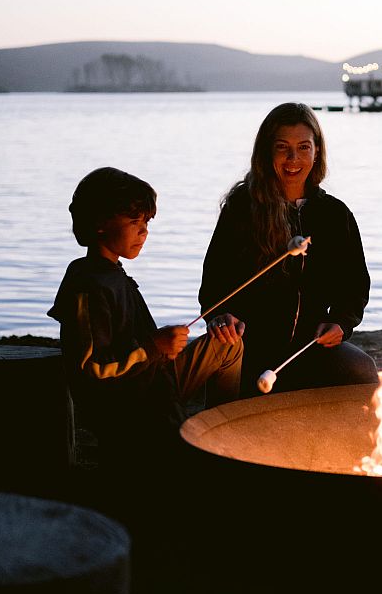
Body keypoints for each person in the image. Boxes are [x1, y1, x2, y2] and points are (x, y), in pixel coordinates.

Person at [48, 167, 242, 465]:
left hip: (152, 378)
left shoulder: (113, 273)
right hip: (129, 407)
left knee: (227, 343)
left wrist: (162, 348)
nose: (144, 231)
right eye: (134, 221)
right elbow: (92, 367)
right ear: (101, 222)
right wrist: (153, 346)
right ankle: (195, 442)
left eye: (147, 223)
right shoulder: (88, 284)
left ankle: (221, 432)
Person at [200, 102, 377, 396]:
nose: (293, 159)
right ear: (267, 151)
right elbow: (214, 284)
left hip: (309, 348)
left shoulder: (335, 215)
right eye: (283, 147)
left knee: (362, 369)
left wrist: (341, 324)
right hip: (247, 349)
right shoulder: (242, 209)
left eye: (304, 147)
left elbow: (355, 286)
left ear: (317, 151)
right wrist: (220, 316)